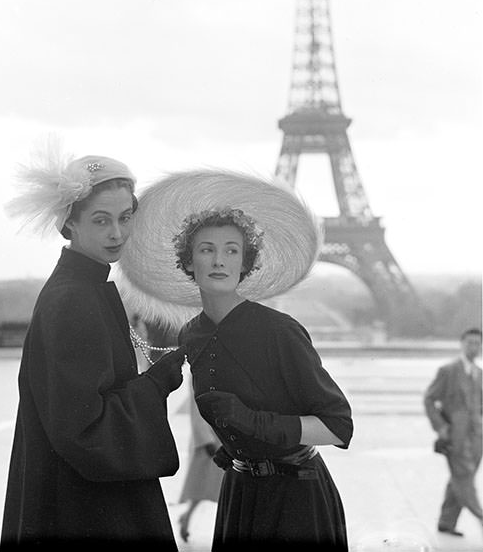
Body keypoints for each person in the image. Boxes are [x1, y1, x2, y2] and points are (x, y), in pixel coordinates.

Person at [119, 169, 353, 550]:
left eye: (232, 250)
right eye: (207, 249)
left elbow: (339, 426)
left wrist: (256, 424)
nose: (219, 260)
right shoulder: (191, 334)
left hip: (297, 498)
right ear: (189, 261)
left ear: (245, 263)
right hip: (241, 492)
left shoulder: (279, 331)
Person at [0, 146, 185, 550]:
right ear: (70, 224)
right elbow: (83, 429)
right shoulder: (74, 300)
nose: (117, 233)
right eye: (101, 221)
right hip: (89, 509)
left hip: (76, 501)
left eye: (125, 217)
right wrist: (156, 384)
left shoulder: (83, 288)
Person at [423, 327, 483, 537]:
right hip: (455, 438)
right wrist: (441, 427)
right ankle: (481, 517)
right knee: (464, 479)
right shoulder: (447, 371)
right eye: (470, 343)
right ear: (462, 344)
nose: (473, 347)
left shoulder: (480, 374)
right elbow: (429, 399)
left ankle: (446, 523)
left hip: (477, 440)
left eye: (477, 343)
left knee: (459, 480)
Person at [178, 384, 223, 543]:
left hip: (219, 435)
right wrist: (205, 439)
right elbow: (196, 408)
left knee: (213, 487)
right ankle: (187, 518)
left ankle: (186, 517)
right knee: (201, 486)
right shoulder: (199, 367)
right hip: (209, 439)